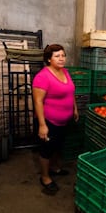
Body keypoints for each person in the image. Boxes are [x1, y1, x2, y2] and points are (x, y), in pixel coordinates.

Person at [32, 44, 79, 195]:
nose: (61, 58)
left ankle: (55, 168)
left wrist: (75, 108)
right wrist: (42, 125)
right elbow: (38, 102)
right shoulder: (42, 77)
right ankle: (45, 177)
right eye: (57, 56)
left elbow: (70, 92)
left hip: (64, 121)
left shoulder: (65, 71)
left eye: (63, 55)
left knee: (58, 146)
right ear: (48, 59)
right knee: (46, 150)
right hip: (49, 121)